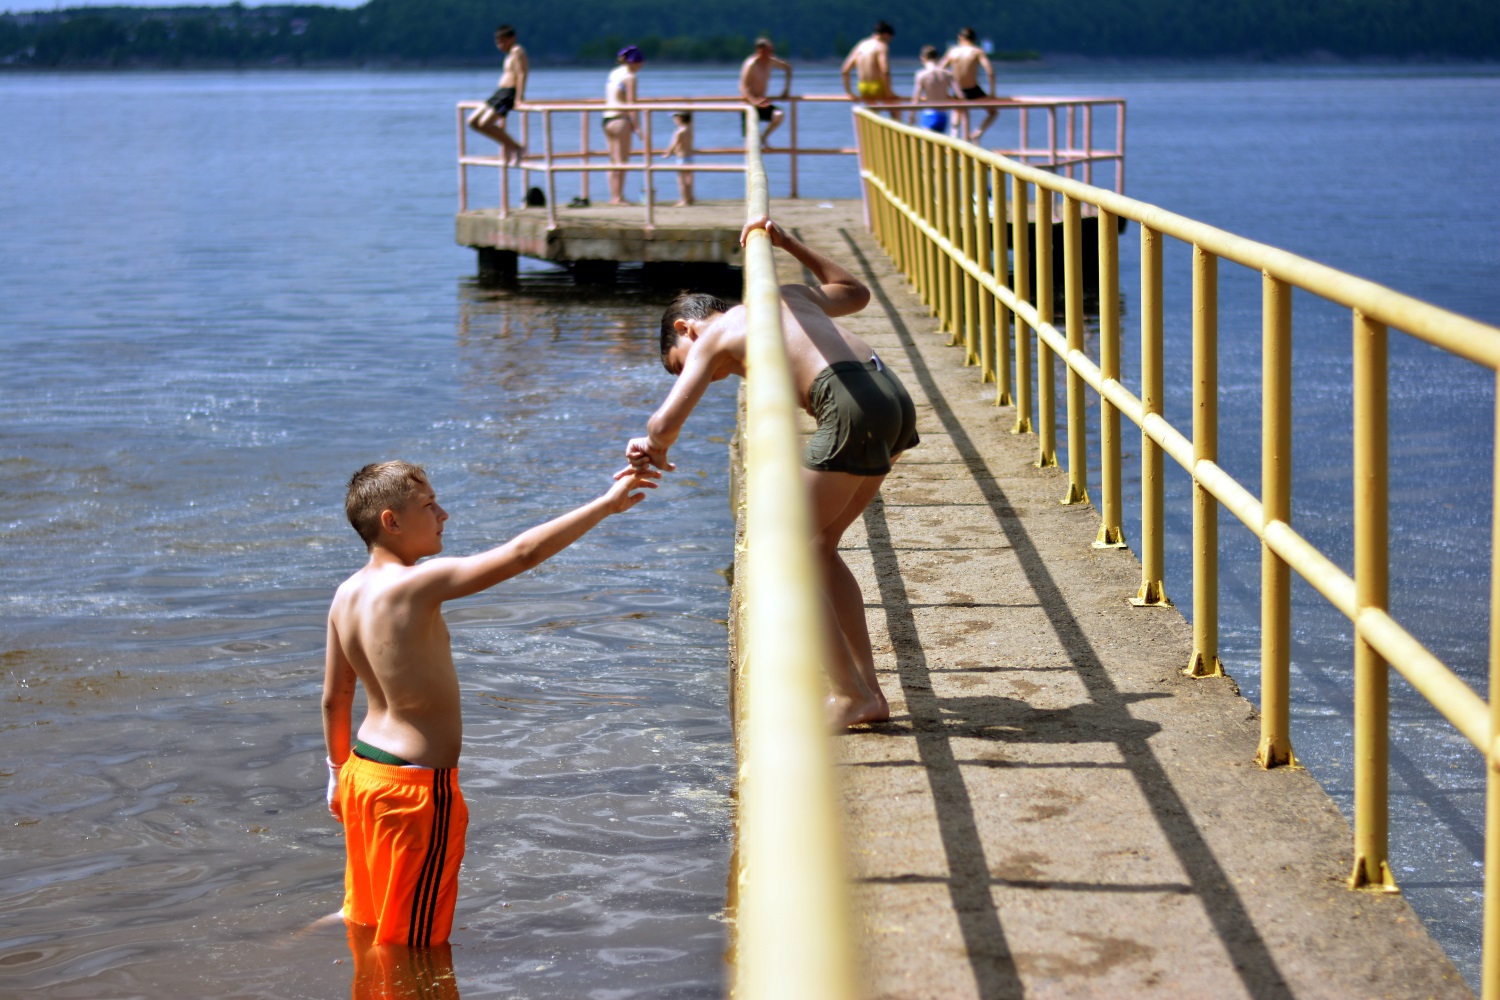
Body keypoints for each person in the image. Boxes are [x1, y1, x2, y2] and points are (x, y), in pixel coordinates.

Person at [322, 460, 657, 948]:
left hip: (361, 775)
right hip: (414, 791)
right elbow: (522, 553)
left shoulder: (345, 594)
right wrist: (606, 506)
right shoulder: (416, 584)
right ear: (390, 521)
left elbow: (336, 697)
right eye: (428, 505)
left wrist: (334, 774)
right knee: (410, 948)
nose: (444, 513)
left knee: (366, 917)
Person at [626, 216, 920, 729]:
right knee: (818, 547)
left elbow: (665, 420)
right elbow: (853, 292)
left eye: (682, 364)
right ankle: (866, 693)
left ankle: (849, 693)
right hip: (889, 394)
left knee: (780, 551)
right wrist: (788, 242)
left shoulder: (717, 332)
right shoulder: (785, 297)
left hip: (849, 403)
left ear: (686, 329)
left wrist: (648, 445)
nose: (702, 377)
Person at [467, 25, 528, 166]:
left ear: (512, 38)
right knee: (472, 121)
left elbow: (522, 74)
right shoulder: (509, 55)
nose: (500, 45)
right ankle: (507, 144)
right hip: (499, 93)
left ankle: (516, 147)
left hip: (508, 95)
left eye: (503, 41)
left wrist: (519, 97)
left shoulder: (517, 51)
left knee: (485, 123)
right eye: (498, 42)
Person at [602, 45, 645, 206]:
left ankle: (613, 195)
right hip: (621, 119)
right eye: (640, 63)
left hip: (607, 119)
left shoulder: (614, 72)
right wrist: (638, 127)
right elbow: (631, 105)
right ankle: (619, 197)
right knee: (622, 160)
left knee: (613, 160)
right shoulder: (630, 77)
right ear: (635, 62)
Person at [941, 26, 998, 141]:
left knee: (957, 112)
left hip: (957, 90)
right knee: (993, 112)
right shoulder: (977, 51)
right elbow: (990, 72)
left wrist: (944, 91)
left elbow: (940, 71)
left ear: (960, 37)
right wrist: (992, 93)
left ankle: (954, 137)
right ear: (974, 39)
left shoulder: (952, 52)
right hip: (973, 89)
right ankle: (977, 133)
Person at [739, 38, 792, 149]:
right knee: (750, 141)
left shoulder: (770, 61)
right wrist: (754, 101)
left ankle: (763, 138)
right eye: (767, 51)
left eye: (771, 51)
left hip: (762, 102)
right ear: (760, 51)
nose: (770, 54)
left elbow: (787, 67)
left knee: (778, 115)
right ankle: (751, 157)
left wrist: (786, 90)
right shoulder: (751, 65)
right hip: (749, 104)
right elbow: (743, 87)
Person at [841, 21, 897, 110]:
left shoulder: (861, 45)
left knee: (872, 111)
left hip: (862, 86)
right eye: (890, 39)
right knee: (895, 104)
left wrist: (849, 92)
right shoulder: (882, 46)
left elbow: (845, 70)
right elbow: (885, 70)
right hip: (877, 86)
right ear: (886, 35)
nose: (889, 41)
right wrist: (889, 92)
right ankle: (896, 121)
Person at [911, 44, 959, 134]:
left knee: (927, 144)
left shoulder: (921, 74)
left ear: (923, 57)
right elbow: (959, 95)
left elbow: (916, 98)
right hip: (943, 115)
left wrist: (911, 116)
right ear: (937, 57)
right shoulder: (947, 74)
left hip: (929, 114)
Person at [660, 111, 695, 207]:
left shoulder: (679, 132)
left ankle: (684, 199)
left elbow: (673, 144)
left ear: (679, 119)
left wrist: (667, 153)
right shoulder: (689, 130)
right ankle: (690, 197)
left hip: (681, 158)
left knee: (681, 181)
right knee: (689, 180)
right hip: (690, 157)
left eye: (675, 118)